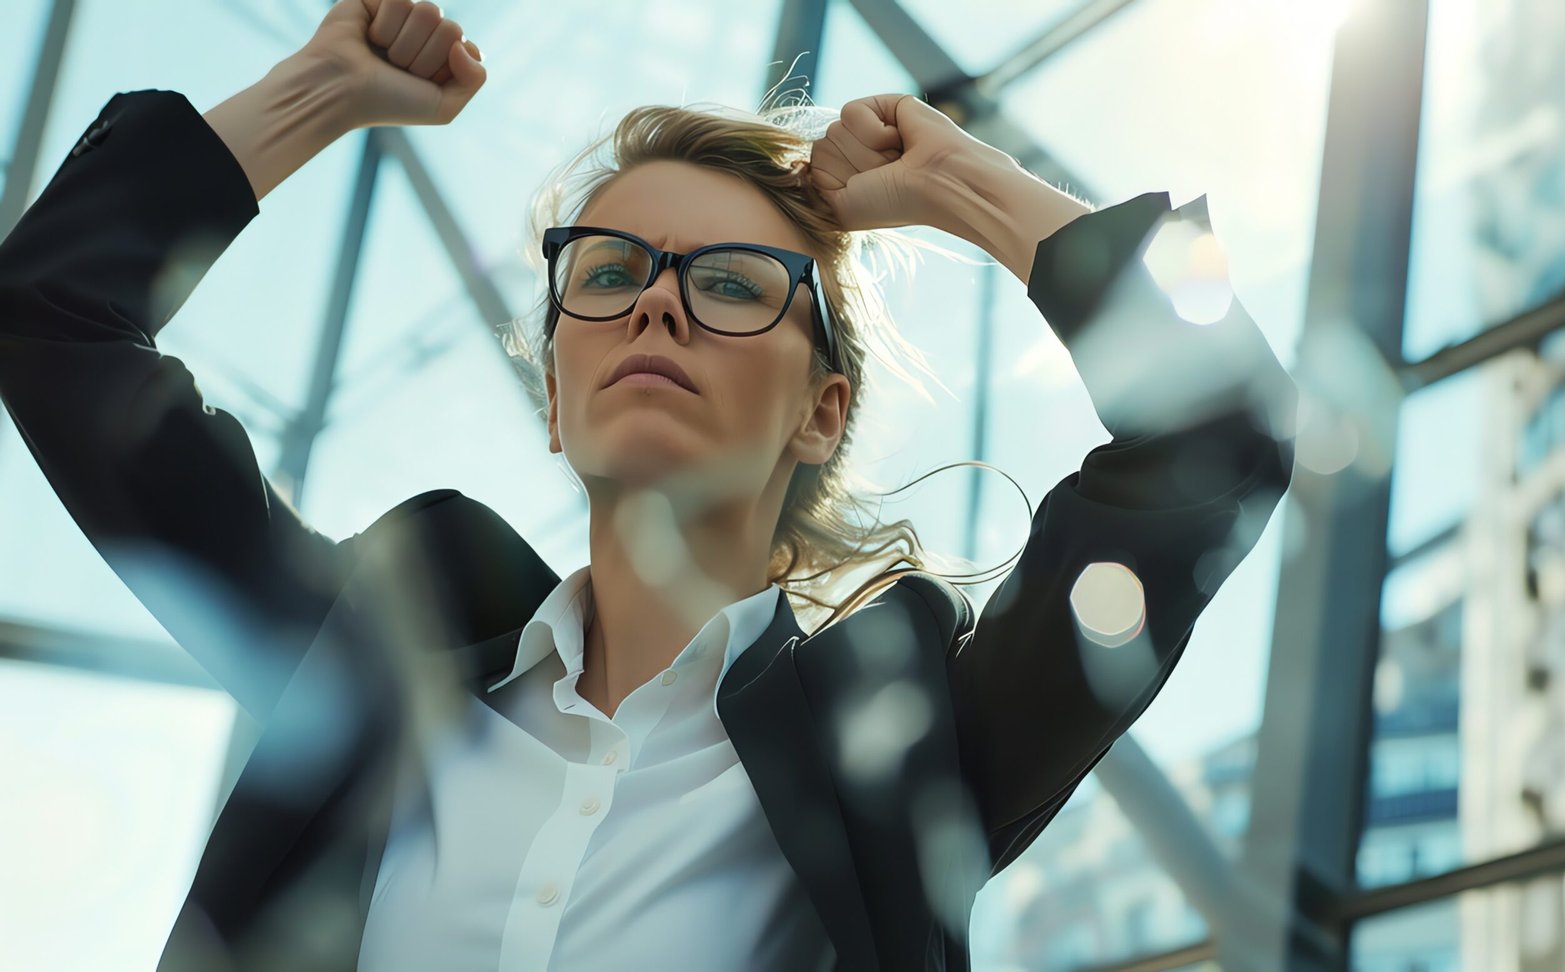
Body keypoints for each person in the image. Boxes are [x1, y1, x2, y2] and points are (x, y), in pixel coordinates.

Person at [0, 0, 1298, 969]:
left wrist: (963, 181)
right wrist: (319, 89)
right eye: (611, 273)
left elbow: (1224, 432)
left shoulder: (907, 751)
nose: (657, 305)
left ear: (820, 413)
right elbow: (54, 320)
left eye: (731, 284)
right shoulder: (373, 660)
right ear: (555, 397)